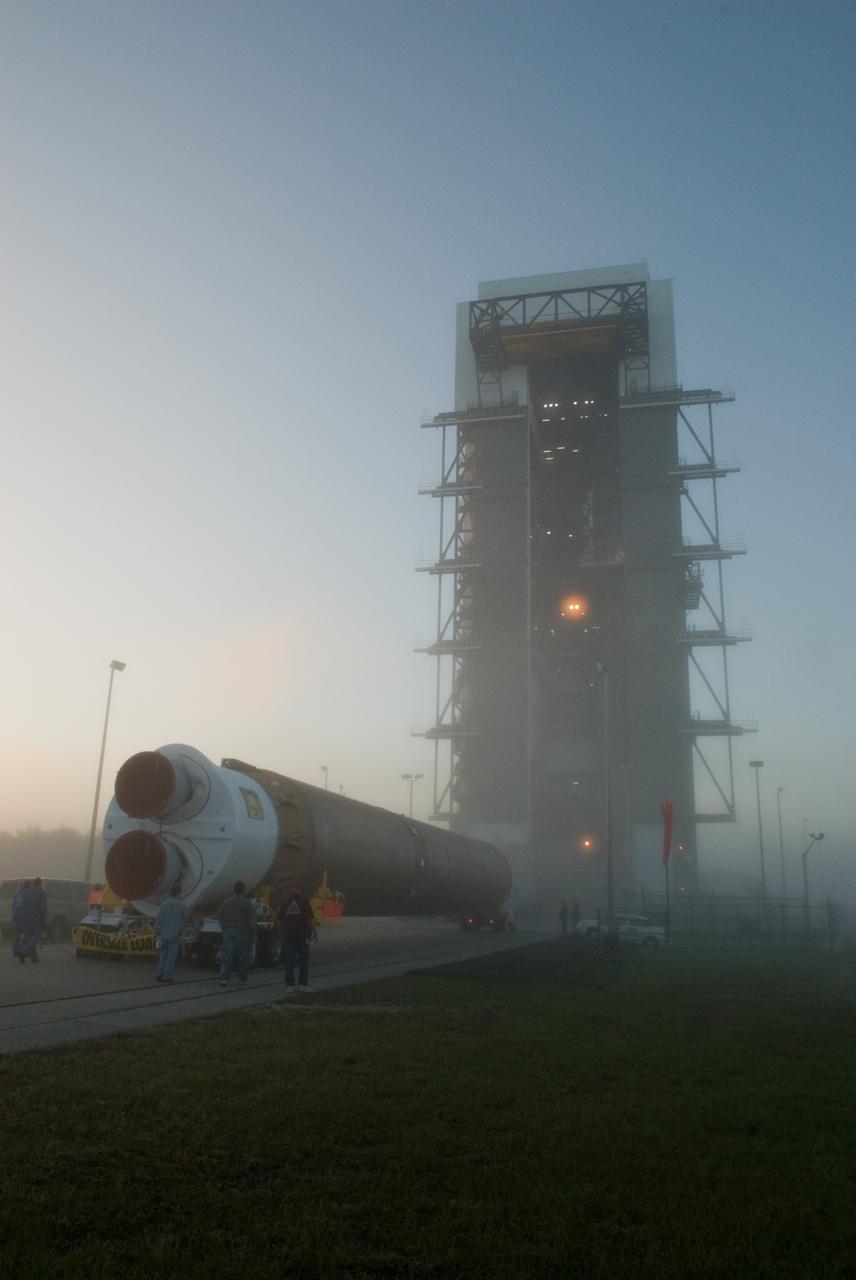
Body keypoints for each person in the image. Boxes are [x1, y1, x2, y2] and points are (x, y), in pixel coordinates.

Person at [217, 881, 257, 986]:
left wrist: (224, 928)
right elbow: (252, 921)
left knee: (227, 956)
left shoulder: (226, 902)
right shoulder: (247, 903)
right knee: (242, 957)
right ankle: (243, 979)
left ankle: (224, 979)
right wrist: (254, 934)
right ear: (243, 890)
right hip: (242, 932)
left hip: (228, 931)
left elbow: (220, 916)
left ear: (233, 889)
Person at [278, 885, 316, 993]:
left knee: (289, 962)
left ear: (292, 890)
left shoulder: (285, 902)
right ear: (300, 890)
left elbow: (279, 920)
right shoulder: (305, 902)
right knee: (304, 961)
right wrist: (315, 933)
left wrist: (280, 934)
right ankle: (302, 984)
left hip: (287, 937)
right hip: (301, 937)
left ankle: (290, 985)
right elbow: (310, 920)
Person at [154, 883, 186, 983]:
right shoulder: (181, 905)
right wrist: (181, 932)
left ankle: (159, 973)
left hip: (163, 933)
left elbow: (159, 919)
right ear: (179, 893)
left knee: (163, 954)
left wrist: (157, 931)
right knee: (171, 956)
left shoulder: (164, 904)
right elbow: (183, 920)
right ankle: (166, 975)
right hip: (174, 934)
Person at [18, 877, 48, 964]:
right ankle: (23, 951)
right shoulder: (42, 893)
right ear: (40, 883)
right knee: (35, 937)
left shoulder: (27, 892)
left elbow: (22, 905)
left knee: (29, 937)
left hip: (26, 919)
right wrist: (45, 916)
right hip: (37, 918)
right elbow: (43, 908)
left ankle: (34, 958)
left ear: (33, 883)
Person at [11, 880, 30, 958]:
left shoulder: (18, 893)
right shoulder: (28, 894)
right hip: (23, 917)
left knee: (16, 935)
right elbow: (28, 906)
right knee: (26, 935)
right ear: (28, 886)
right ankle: (23, 951)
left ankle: (15, 952)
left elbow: (13, 904)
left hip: (15, 917)